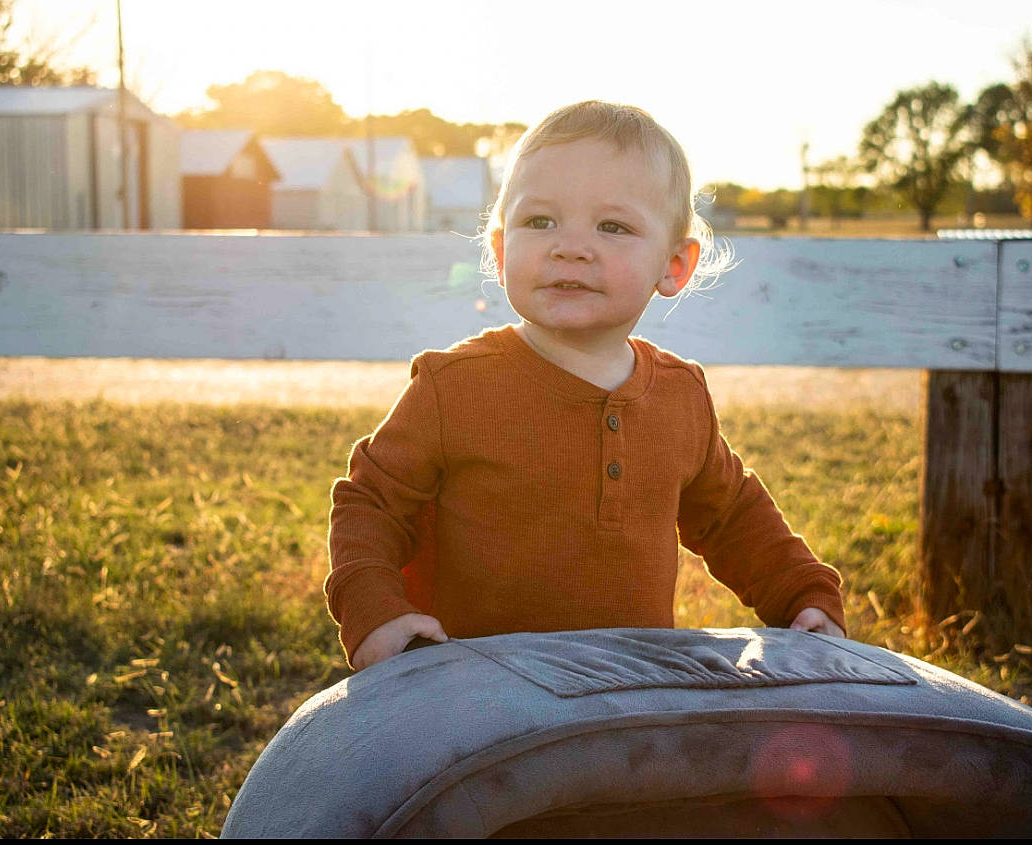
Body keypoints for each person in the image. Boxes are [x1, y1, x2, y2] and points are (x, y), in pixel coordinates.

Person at [325, 101, 846, 670]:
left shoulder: (679, 395)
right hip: (476, 694)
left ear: (674, 265)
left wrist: (801, 594)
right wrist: (375, 611)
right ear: (500, 251)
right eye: (540, 221)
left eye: (612, 226)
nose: (569, 245)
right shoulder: (454, 387)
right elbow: (371, 503)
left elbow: (732, 516)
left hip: (629, 697)